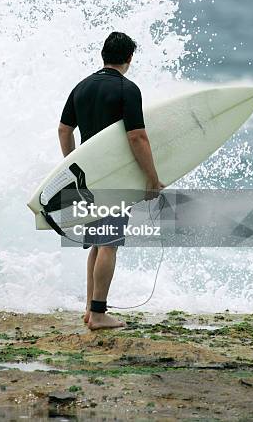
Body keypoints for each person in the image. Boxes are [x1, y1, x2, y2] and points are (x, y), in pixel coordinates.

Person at [58, 32, 164, 330]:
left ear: (103, 54)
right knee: (109, 244)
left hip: (89, 179)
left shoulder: (81, 87)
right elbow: (137, 136)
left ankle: (90, 310)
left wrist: (72, 167)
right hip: (115, 177)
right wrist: (152, 178)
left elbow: (64, 130)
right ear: (129, 59)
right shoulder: (127, 89)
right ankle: (100, 314)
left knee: (98, 242)